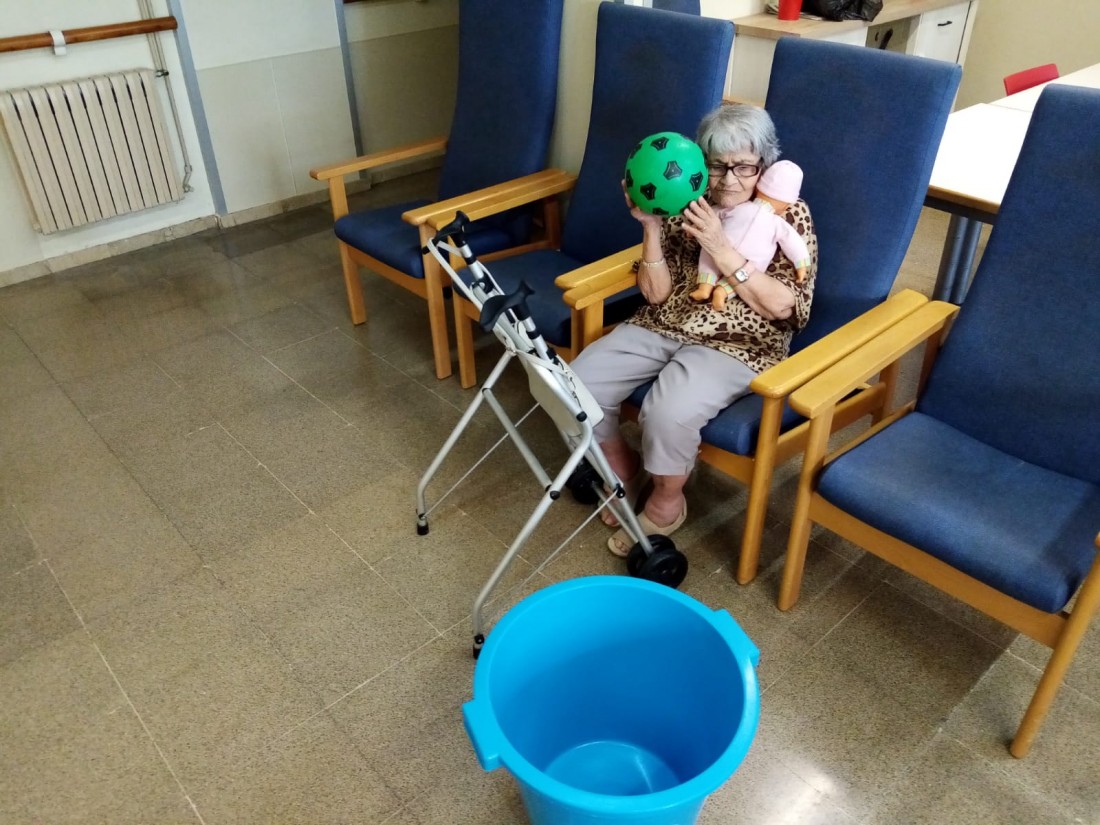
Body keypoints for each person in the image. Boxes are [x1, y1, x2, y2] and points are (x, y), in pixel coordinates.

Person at [570, 102, 818, 556]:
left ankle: (667, 501)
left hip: (739, 341)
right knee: (576, 385)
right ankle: (622, 467)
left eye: (743, 167)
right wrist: (650, 227)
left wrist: (721, 248)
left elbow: (786, 307)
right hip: (665, 321)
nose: (728, 181)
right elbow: (656, 295)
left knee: (668, 412)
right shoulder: (682, 196)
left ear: (763, 166)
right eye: (717, 165)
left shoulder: (788, 214)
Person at [691, 159, 810, 311]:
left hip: (724, 244)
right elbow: (794, 242)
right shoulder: (777, 223)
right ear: (786, 206)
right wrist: (801, 263)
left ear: (757, 189)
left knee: (709, 255)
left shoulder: (738, 206)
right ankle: (722, 292)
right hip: (746, 260)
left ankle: (705, 286)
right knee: (745, 272)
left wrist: (695, 226)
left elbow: (712, 214)